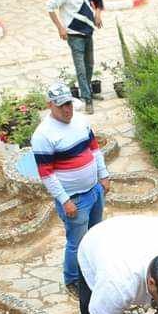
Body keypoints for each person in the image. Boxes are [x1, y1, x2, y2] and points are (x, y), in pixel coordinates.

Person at [31, 82, 109, 297]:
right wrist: (65, 200)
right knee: (76, 242)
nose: (67, 110)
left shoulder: (81, 121)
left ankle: (92, 268)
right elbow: (46, 173)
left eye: (69, 104)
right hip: (74, 199)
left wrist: (103, 175)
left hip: (94, 190)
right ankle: (72, 279)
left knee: (94, 234)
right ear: (50, 106)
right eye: (61, 106)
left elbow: (94, 149)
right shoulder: (43, 135)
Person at [47, 0, 104, 114]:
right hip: (74, 34)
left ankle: (88, 92)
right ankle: (87, 99)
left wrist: (97, 15)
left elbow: (98, 1)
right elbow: (50, 7)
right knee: (80, 69)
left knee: (89, 65)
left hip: (88, 31)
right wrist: (60, 28)